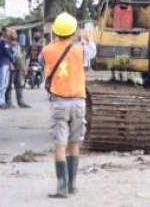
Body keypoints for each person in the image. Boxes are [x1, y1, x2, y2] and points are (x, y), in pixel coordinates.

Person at [42, 13, 86, 199]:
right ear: (73, 31)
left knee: (60, 144)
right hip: (78, 102)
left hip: (59, 102)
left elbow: (43, 62)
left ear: (55, 32)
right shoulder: (80, 50)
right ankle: (73, 185)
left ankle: (62, 187)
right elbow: (91, 51)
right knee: (74, 144)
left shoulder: (46, 50)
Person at [6, 31, 31, 108]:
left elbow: (19, 56)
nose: (14, 35)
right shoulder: (7, 44)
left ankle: (20, 101)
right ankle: (8, 102)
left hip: (18, 68)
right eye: (12, 33)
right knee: (9, 85)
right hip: (10, 67)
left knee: (19, 84)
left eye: (15, 34)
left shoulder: (17, 45)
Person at [0, 26, 15, 109]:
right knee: (0, 84)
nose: (9, 33)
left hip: (6, 64)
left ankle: (2, 101)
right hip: (2, 64)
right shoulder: (3, 41)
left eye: (10, 32)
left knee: (5, 84)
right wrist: (13, 58)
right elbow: (7, 52)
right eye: (8, 31)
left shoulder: (7, 41)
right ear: (3, 32)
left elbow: (10, 51)